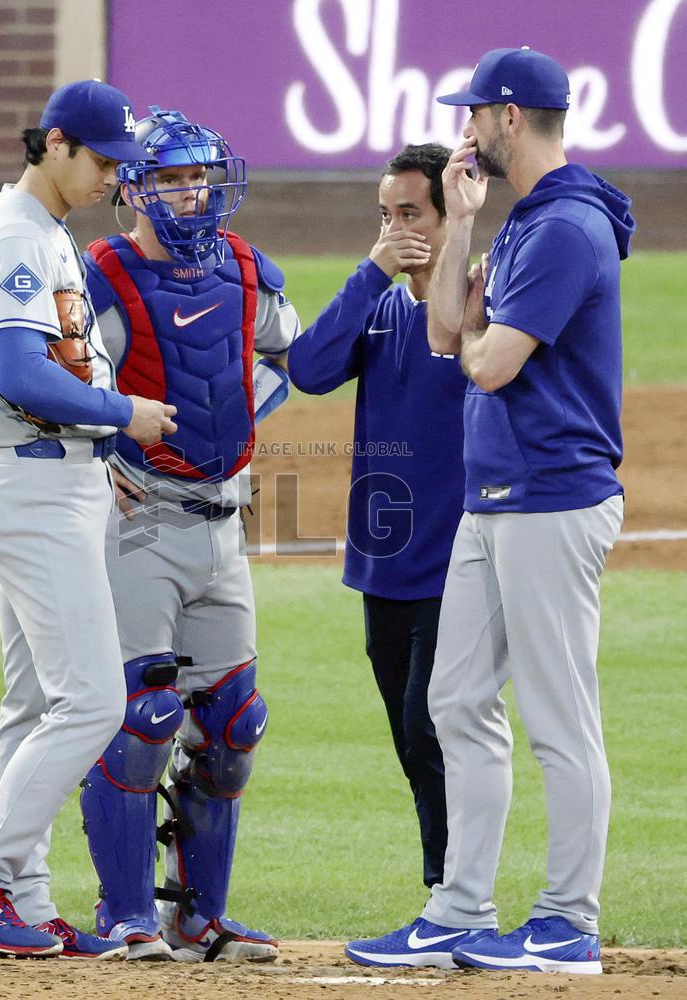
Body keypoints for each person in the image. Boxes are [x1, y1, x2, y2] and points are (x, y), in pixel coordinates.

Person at [348, 47, 634, 975]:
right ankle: (460, 908)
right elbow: (445, 331)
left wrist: (473, 333)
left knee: (560, 714)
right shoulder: (516, 224)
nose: (465, 129)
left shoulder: (564, 230)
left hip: (552, 495)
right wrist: (462, 227)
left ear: (510, 118)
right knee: (455, 697)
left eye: (475, 113)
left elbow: (486, 363)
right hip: (494, 496)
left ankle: (567, 921)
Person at [0, 80, 177, 960]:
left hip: (56, 479)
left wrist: (96, 457)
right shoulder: (14, 241)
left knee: (34, 702)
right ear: (57, 144)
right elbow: (25, 375)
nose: (115, 178)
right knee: (93, 699)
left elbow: (57, 368)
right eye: (104, 161)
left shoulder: (47, 233)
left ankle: (21, 900)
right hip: (29, 491)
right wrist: (122, 417)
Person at [76, 107, 299, 962]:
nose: (192, 193)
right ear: (134, 185)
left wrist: (244, 421)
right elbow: (62, 389)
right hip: (139, 523)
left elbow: (290, 355)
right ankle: (126, 914)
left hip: (223, 521)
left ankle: (200, 918)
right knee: (143, 720)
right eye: (172, 177)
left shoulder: (245, 268)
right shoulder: (101, 276)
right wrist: (104, 461)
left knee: (236, 724)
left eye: (200, 176)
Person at [287, 144, 466, 923]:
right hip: (384, 562)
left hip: (458, 563)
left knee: (432, 725)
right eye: (385, 216)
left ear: (448, 212)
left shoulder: (482, 301)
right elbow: (308, 368)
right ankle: (449, 885)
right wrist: (372, 271)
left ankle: (456, 894)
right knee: (407, 732)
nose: (395, 229)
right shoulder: (383, 308)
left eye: (410, 215)